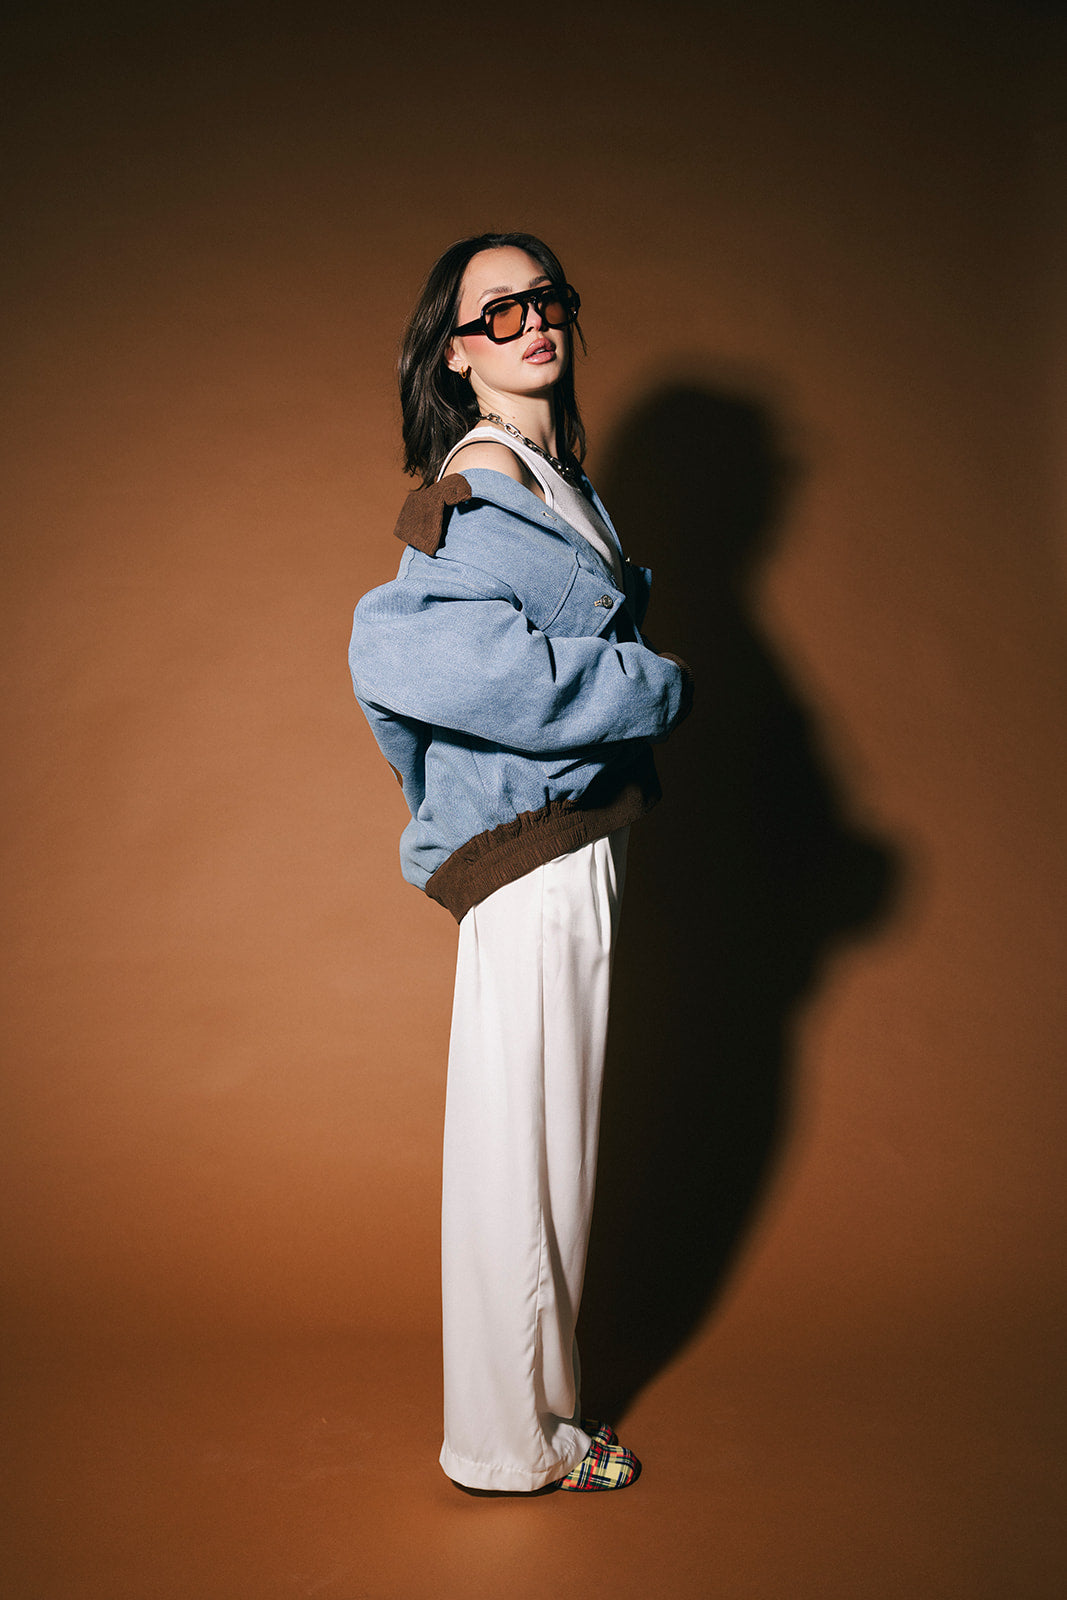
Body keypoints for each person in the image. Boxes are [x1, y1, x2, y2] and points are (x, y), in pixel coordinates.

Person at [348, 232, 691, 1494]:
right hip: (529, 854)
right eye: (496, 313)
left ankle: (538, 1416)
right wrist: (642, 686)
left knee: (551, 1149)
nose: (529, 324)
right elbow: (402, 660)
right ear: (457, 350)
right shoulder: (481, 479)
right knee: (521, 1149)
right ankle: (501, 1443)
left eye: (544, 301)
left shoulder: (553, 479)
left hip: (566, 841)